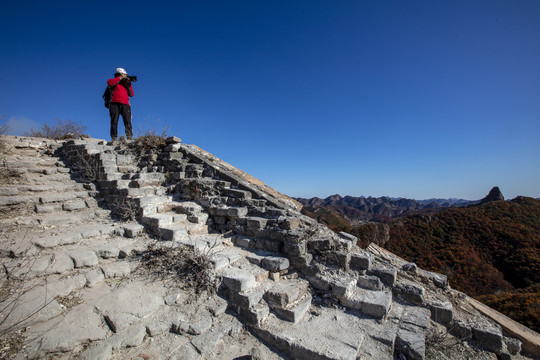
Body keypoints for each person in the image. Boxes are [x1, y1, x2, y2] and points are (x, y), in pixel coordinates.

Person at [107, 67, 134, 141]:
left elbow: (131, 94)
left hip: (125, 104)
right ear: (117, 74)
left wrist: (129, 84)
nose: (124, 76)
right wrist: (120, 78)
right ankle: (114, 137)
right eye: (123, 74)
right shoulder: (113, 81)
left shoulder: (125, 84)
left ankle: (129, 137)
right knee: (114, 121)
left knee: (127, 121)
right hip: (114, 103)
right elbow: (110, 83)